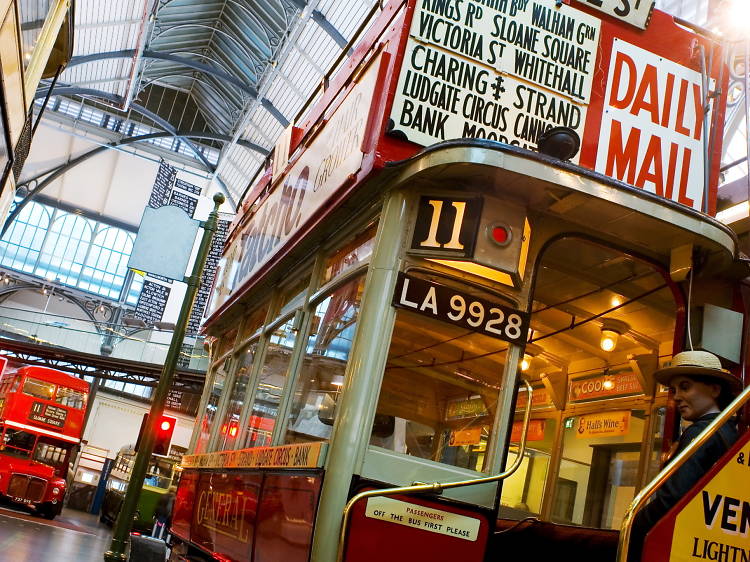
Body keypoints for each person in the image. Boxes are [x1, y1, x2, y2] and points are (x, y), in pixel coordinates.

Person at [628, 350, 741, 562]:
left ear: (715, 389)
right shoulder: (729, 433)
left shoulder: (701, 433)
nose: (677, 396)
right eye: (674, 389)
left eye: (685, 386)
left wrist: (634, 524)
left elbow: (672, 498)